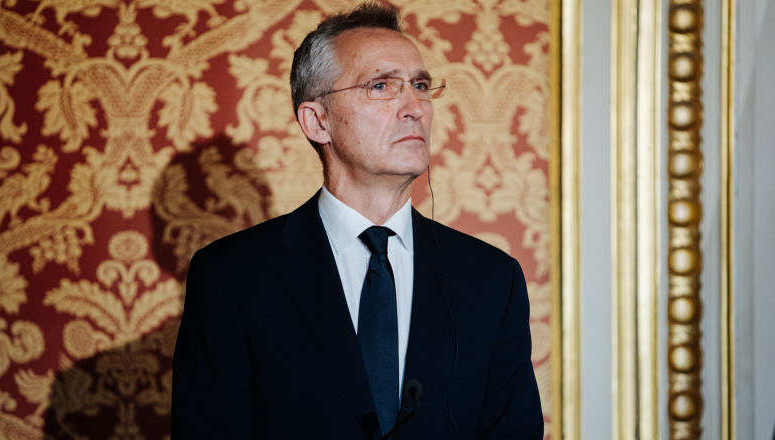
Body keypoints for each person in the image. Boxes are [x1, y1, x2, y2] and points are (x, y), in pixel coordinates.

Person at [171, 2, 543, 439]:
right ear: (317, 120)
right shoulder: (232, 276)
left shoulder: (491, 279)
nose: (415, 107)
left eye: (420, 85)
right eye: (382, 86)